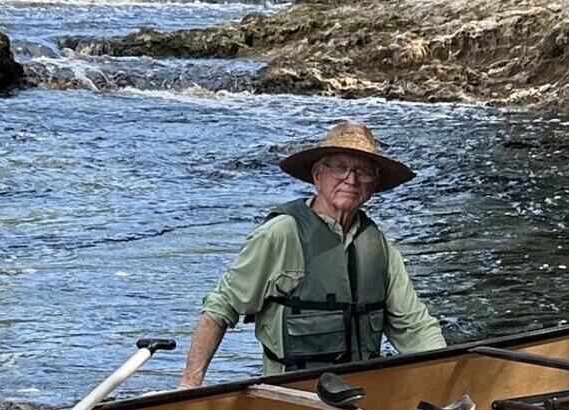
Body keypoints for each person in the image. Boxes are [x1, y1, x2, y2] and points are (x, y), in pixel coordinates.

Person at [179, 121, 447, 387]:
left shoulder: (378, 247)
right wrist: (190, 386)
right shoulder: (281, 233)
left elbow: (416, 327)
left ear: (374, 184)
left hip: (362, 398)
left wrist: (448, 375)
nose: (351, 180)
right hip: (291, 398)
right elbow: (220, 308)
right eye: (340, 167)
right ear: (318, 175)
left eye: (363, 171)